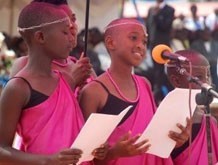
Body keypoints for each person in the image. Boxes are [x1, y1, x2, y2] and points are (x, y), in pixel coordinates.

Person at [0, 2, 106, 165]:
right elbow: (2, 150)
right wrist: (49, 160)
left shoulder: (65, 79)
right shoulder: (18, 87)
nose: (71, 36)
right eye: (64, 32)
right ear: (41, 37)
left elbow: (71, 130)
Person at [79, 18, 191, 165]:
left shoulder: (144, 84)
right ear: (111, 42)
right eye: (133, 38)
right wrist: (115, 153)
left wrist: (175, 139)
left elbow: (152, 139)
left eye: (144, 42)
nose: (141, 46)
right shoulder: (93, 92)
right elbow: (85, 158)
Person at [9, 0, 94, 91]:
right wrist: (71, 82)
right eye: (63, 21)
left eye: (73, 19)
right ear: (41, 35)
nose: (72, 26)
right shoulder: (24, 66)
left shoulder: (82, 67)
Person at [166, 49, 218, 164]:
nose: (206, 83)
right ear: (176, 81)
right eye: (198, 78)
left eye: (208, 76)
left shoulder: (211, 121)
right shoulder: (164, 120)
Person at [146, 0, 175, 105]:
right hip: (152, 46)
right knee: (156, 72)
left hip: (163, 47)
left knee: (162, 71)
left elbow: (165, 26)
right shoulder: (151, 9)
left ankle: (158, 96)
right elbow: (148, 27)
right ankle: (158, 95)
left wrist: (157, 14)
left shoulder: (169, 10)